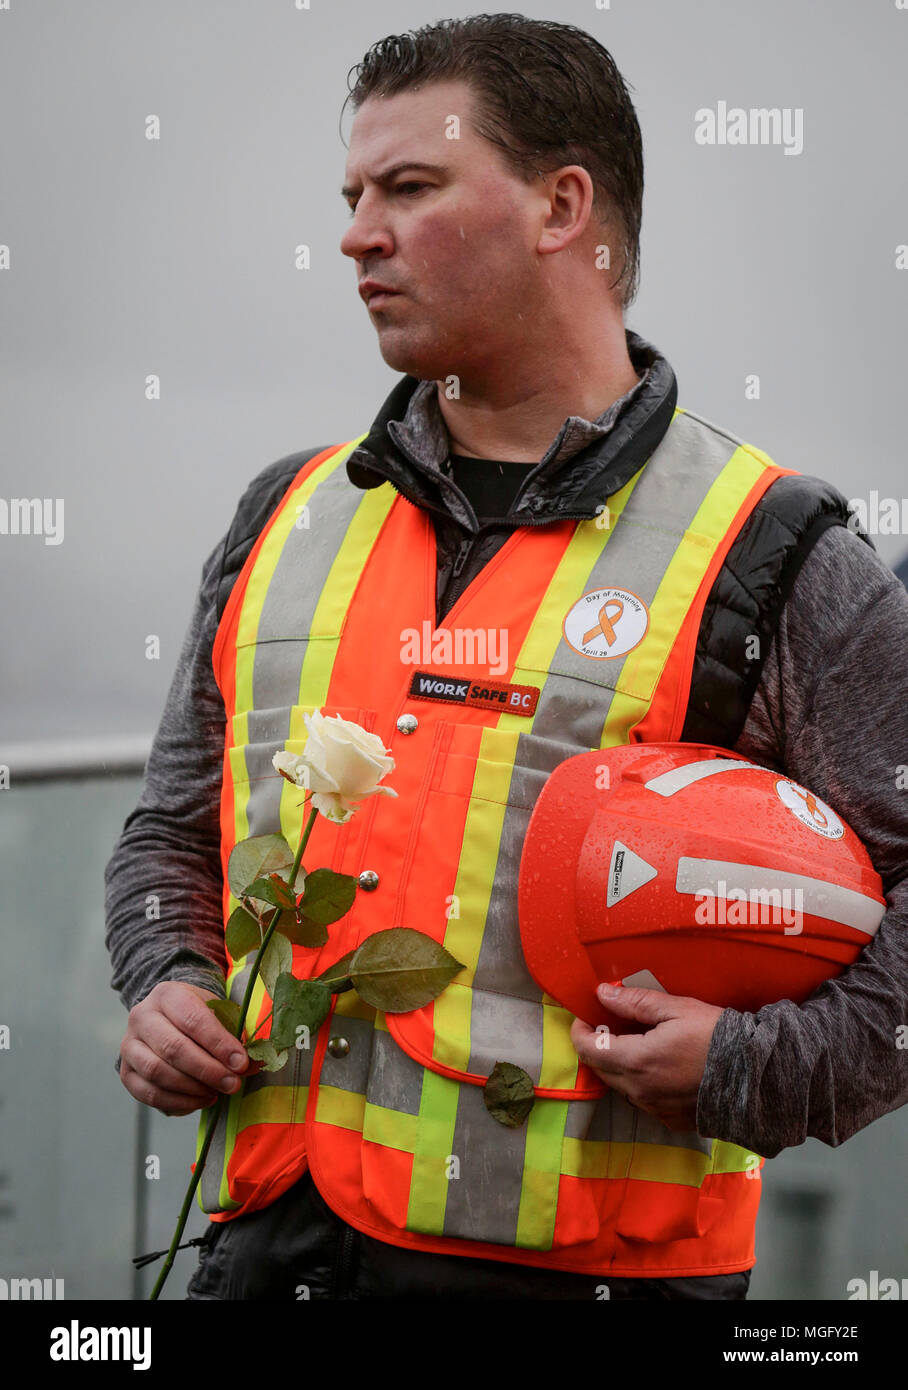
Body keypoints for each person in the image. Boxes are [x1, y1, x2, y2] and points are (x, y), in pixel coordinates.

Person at [104, 15, 908, 1301]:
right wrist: (169, 980)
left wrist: (756, 1066)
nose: (359, 232)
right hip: (269, 1261)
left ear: (561, 206)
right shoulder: (284, 513)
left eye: (409, 188)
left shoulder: (774, 553)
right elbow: (167, 834)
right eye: (353, 195)